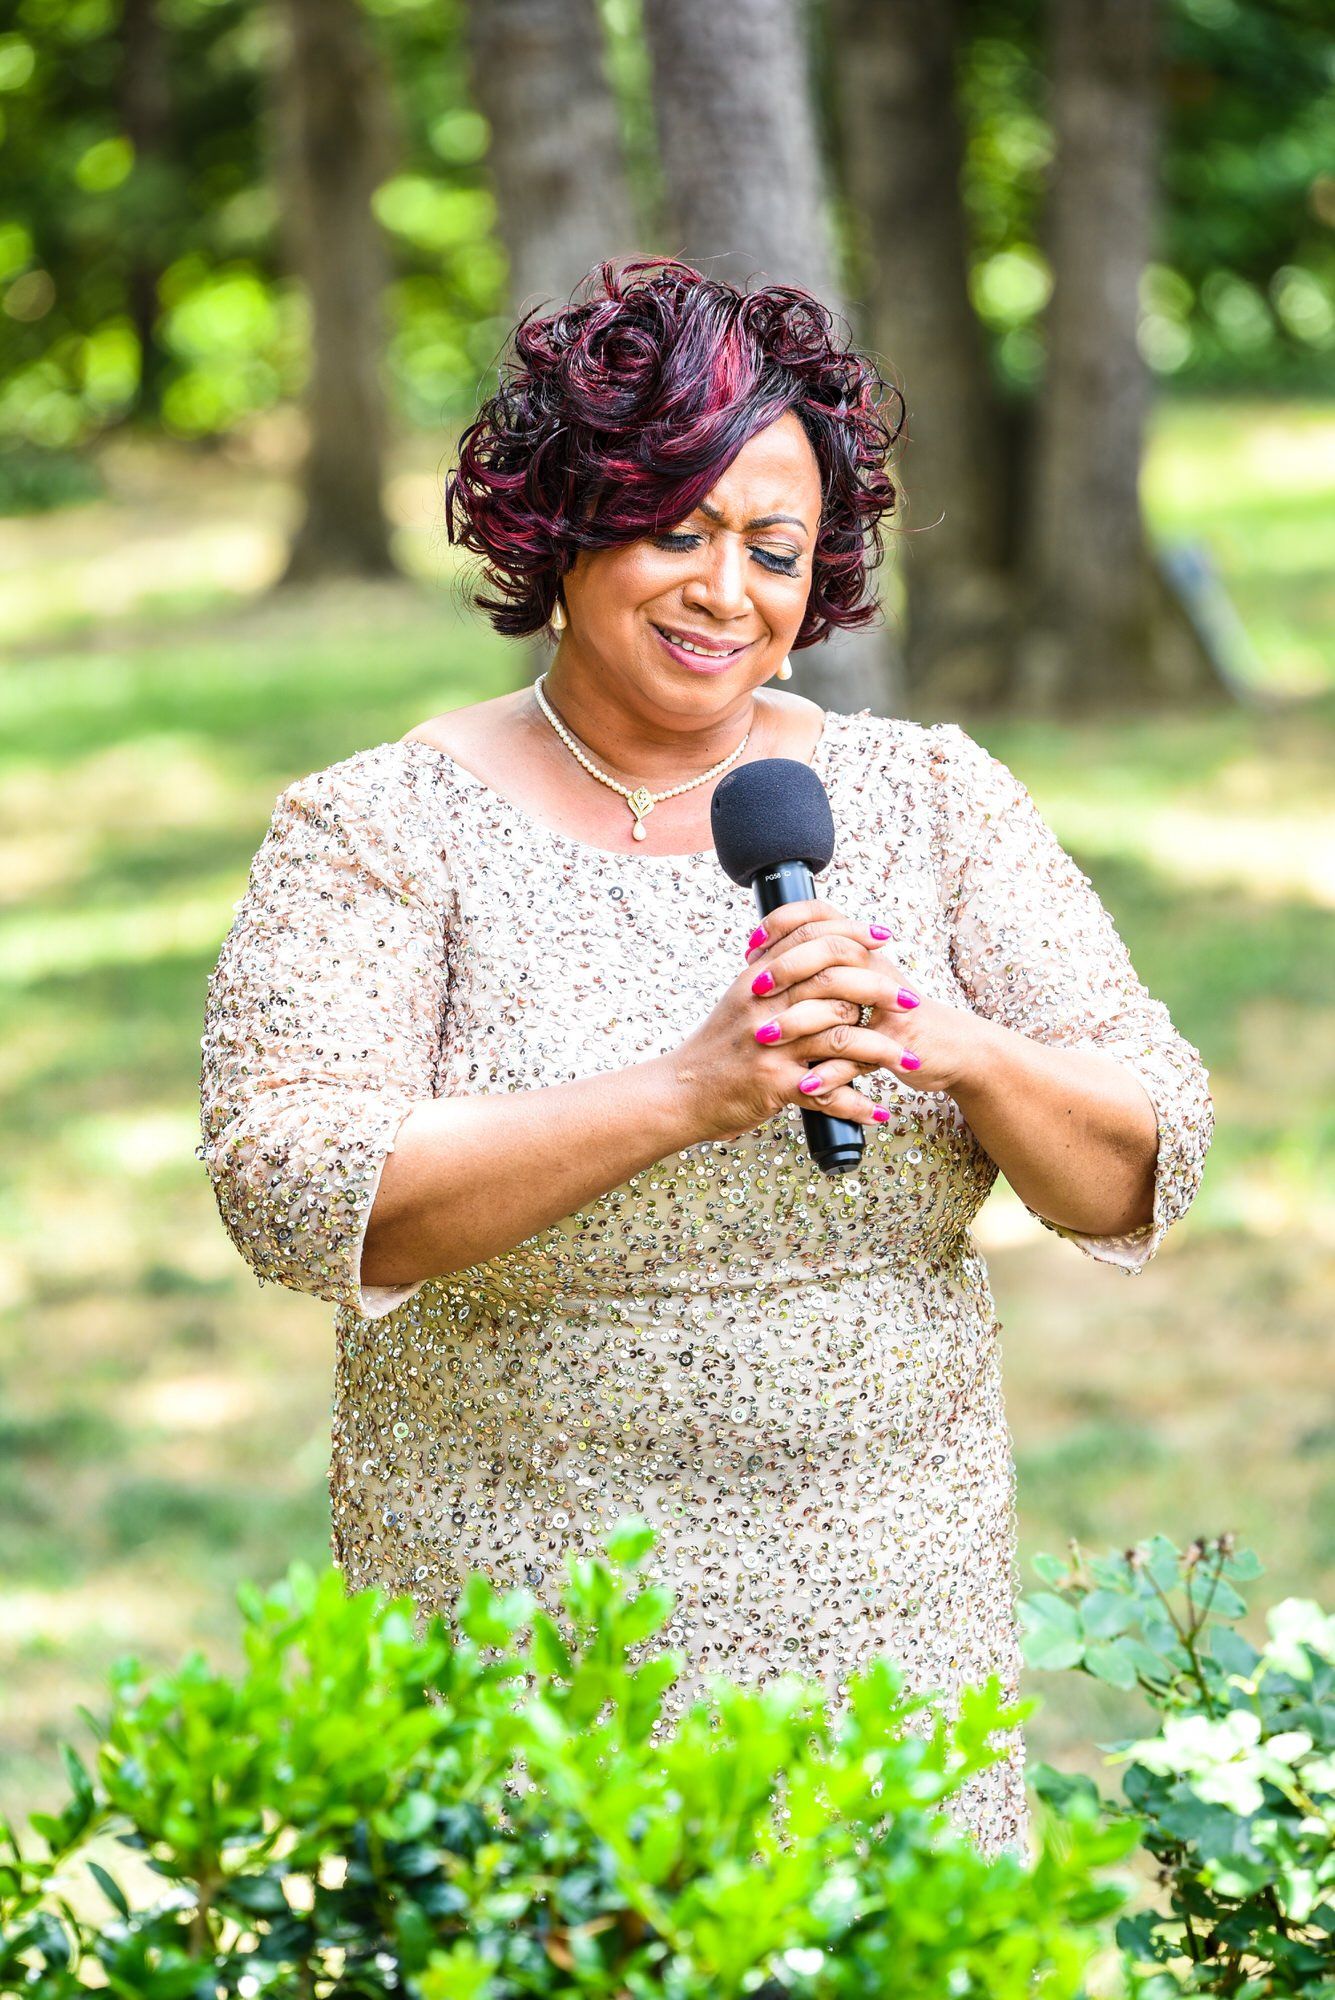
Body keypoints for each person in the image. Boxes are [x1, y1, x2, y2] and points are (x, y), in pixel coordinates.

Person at [199, 257, 1214, 1861]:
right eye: (677, 529)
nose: (726, 590)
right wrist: (686, 1095)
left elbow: (1142, 1159)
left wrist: (953, 1046)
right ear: (566, 524)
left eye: (774, 548)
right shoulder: (383, 827)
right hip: (525, 1620)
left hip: (892, 1620)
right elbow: (298, 1191)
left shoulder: (932, 799)